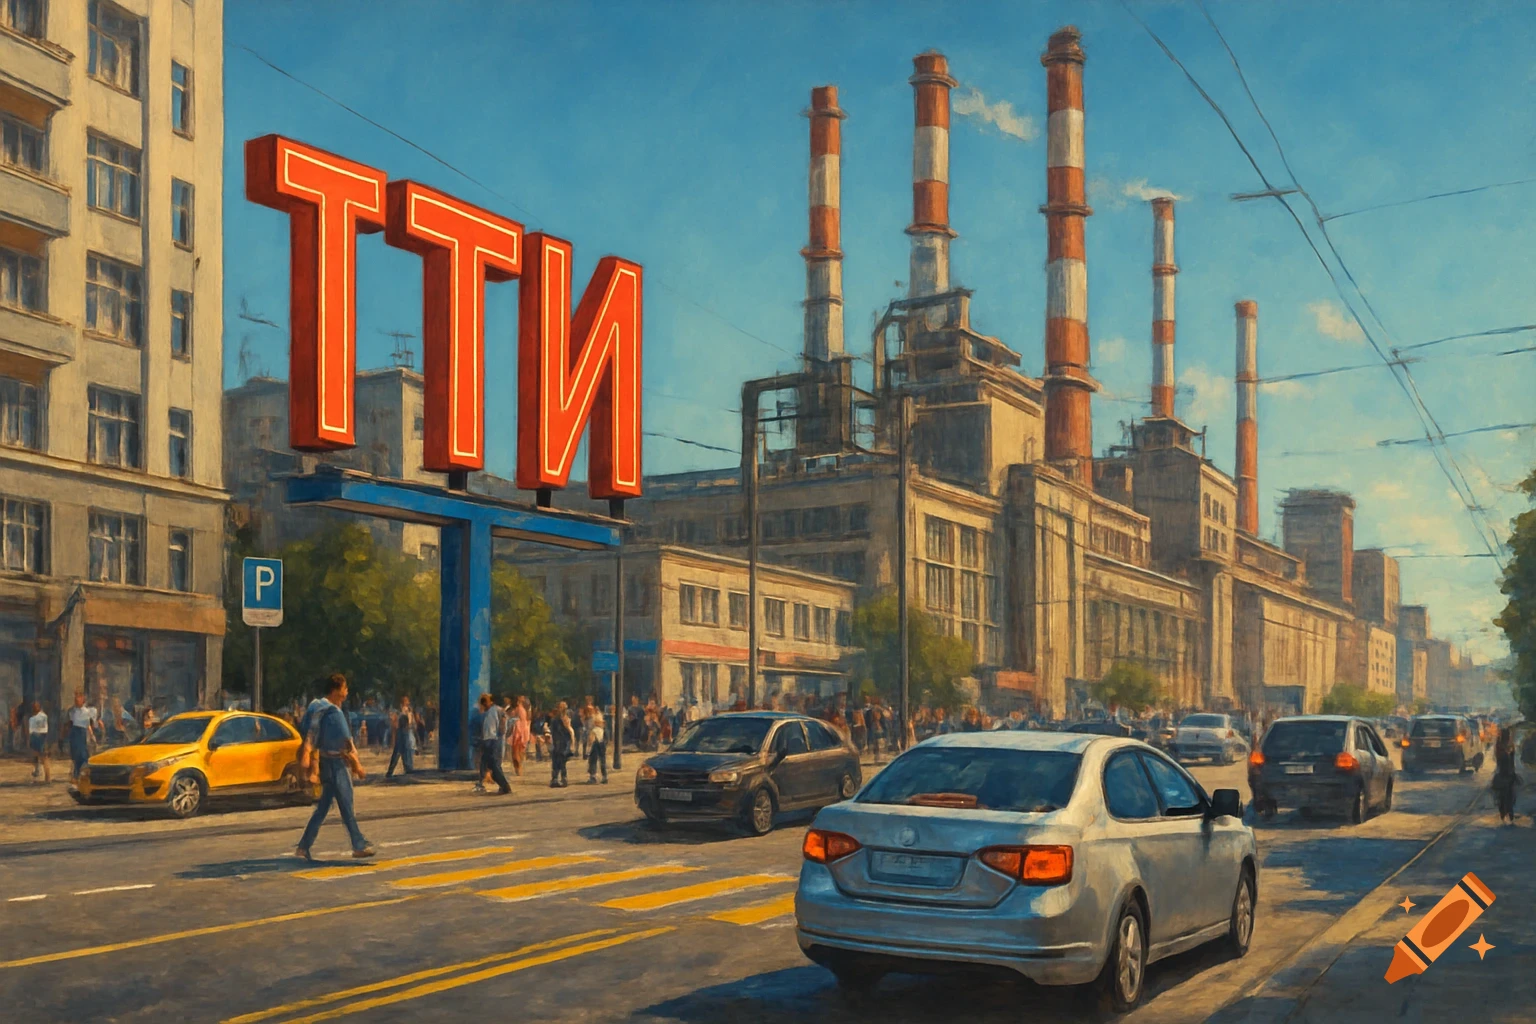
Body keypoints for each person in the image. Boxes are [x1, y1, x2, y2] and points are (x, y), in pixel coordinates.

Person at [295, 674, 374, 860]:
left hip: (323, 762)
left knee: (323, 807)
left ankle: (303, 847)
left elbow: (305, 731)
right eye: (345, 689)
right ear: (337, 690)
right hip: (338, 764)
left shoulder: (315, 707)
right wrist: (357, 764)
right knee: (346, 804)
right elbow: (346, 743)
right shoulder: (335, 713)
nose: (347, 693)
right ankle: (358, 845)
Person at [474, 693, 511, 795]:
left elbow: (493, 729)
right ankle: (502, 786)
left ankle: (504, 786)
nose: (483, 703)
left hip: (492, 741)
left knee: (493, 765)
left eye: (485, 701)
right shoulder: (493, 711)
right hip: (492, 740)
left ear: (491, 701)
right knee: (491, 765)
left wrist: (491, 740)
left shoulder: (494, 711)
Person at [64, 691, 101, 780]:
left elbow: (89, 724)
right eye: (75, 699)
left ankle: (82, 772)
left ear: (83, 699)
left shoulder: (87, 711)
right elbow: (69, 723)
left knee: (83, 753)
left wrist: (92, 735)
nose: (77, 701)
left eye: (79, 699)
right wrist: (66, 733)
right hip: (74, 733)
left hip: (82, 733)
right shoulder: (71, 711)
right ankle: (76, 772)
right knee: (75, 753)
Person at [1492, 725, 1520, 825]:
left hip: (1504, 774)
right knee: (1508, 795)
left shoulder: (1502, 746)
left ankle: (1506, 813)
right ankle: (1507, 813)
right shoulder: (1502, 747)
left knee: (1506, 796)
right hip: (1505, 774)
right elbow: (1506, 761)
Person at [387, 697, 417, 778]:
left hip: (407, 733)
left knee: (406, 751)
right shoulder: (399, 712)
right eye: (405, 702)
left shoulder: (409, 712)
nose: (406, 704)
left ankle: (408, 769)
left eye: (407, 702)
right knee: (399, 752)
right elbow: (395, 725)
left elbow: (412, 723)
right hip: (402, 733)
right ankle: (392, 771)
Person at [549, 701, 575, 788]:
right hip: (557, 742)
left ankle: (562, 778)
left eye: (561, 707)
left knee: (561, 761)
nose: (559, 709)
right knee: (556, 760)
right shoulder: (554, 720)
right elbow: (552, 731)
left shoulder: (565, 719)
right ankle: (556, 778)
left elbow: (570, 731)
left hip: (563, 743)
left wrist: (572, 743)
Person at [27, 702, 50, 783]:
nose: (35, 708)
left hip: (41, 736)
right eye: (33, 706)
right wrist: (30, 739)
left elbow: (44, 728)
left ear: (39, 707)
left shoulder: (43, 716)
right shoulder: (31, 719)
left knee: (44, 757)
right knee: (35, 756)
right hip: (34, 737)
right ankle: (37, 771)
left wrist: (43, 738)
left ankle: (47, 777)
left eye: (36, 706)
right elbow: (31, 731)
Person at [587, 705, 609, 784]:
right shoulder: (602, 729)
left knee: (593, 760)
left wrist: (589, 745)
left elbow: (591, 738)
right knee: (602, 760)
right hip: (601, 743)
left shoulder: (594, 728)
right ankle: (604, 776)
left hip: (596, 743)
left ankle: (593, 776)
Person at [509, 696, 531, 777]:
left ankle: (518, 769)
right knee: (519, 752)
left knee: (515, 752)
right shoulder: (524, 710)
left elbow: (518, 721)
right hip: (521, 732)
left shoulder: (519, 709)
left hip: (518, 732)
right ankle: (518, 769)